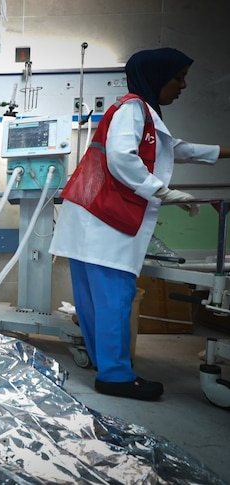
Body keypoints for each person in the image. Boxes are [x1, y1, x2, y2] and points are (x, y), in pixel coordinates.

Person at [50, 47, 230, 401]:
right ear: (157, 76)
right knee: (116, 298)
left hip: (89, 220)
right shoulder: (133, 109)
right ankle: (116, 376)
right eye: (178, 77)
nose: (183, 85)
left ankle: (107, 365)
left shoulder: (141, 114)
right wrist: (163, 192)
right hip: (104, 223)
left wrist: (225, 151)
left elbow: (174, 148)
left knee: (94, 299)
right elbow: (120, 158)